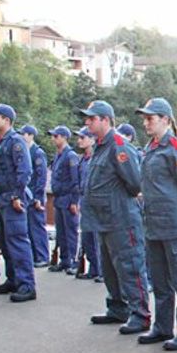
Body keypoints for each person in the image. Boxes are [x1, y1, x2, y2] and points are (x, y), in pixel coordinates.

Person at [77, 100, 151, 334]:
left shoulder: (119, 146)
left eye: (92, 118)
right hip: (104, 219)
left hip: (121, 217)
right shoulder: (101, 146)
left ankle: (140, 314)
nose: (87, 122)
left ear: (106, 120)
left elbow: (134, 183)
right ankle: (117, 307)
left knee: (130, 267)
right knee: (109, 268)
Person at [135, 98, 177, 350]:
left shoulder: (175, 149)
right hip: (153, 224)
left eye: (150, 118)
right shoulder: (151, 148)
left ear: (165, 119)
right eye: (144, 119)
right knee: (160, 281)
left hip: (173, 224)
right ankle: (162, 327)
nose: (146, 123)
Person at [0, 104, 37, 302]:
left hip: (13, 197)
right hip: (3, 198)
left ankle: (27, 285)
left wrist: (16, 196)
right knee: (5, 242)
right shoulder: (0, 142)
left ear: (6, 120)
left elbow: (25, 171)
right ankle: (14, 279)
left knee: (17, 242)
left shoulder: (15, 141)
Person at [47, 126, 81, 273]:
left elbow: (75, 180)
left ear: (64, 137)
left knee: (70, 232)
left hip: (68, 198)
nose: (53, 139)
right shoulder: (58, 155)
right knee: (61, 232)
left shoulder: (70, 156)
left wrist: (74, 201)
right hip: (59, 198)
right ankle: (64, 260)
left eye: (56, 136)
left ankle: (73, 260)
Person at [20, 125, 50, 268]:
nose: (22, 136)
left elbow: (41, 176)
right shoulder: (24, 151)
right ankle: (34, 256)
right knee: (29, 228)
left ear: (31, 135)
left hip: (35, 196)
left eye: (24, 134)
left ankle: (42, 256)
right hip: (27, 195)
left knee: (37, 227)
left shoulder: (37, 152)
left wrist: (37, 197)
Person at [74, 127, 101, 280]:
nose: (79, 141)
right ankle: (93, 269)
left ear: (92, 139)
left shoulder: (97, 157)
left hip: (95, 202)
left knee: (97, 238)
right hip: (84, 200)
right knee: (87, 238)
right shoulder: (82, 159)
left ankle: (102, 271)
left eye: (82, 137)